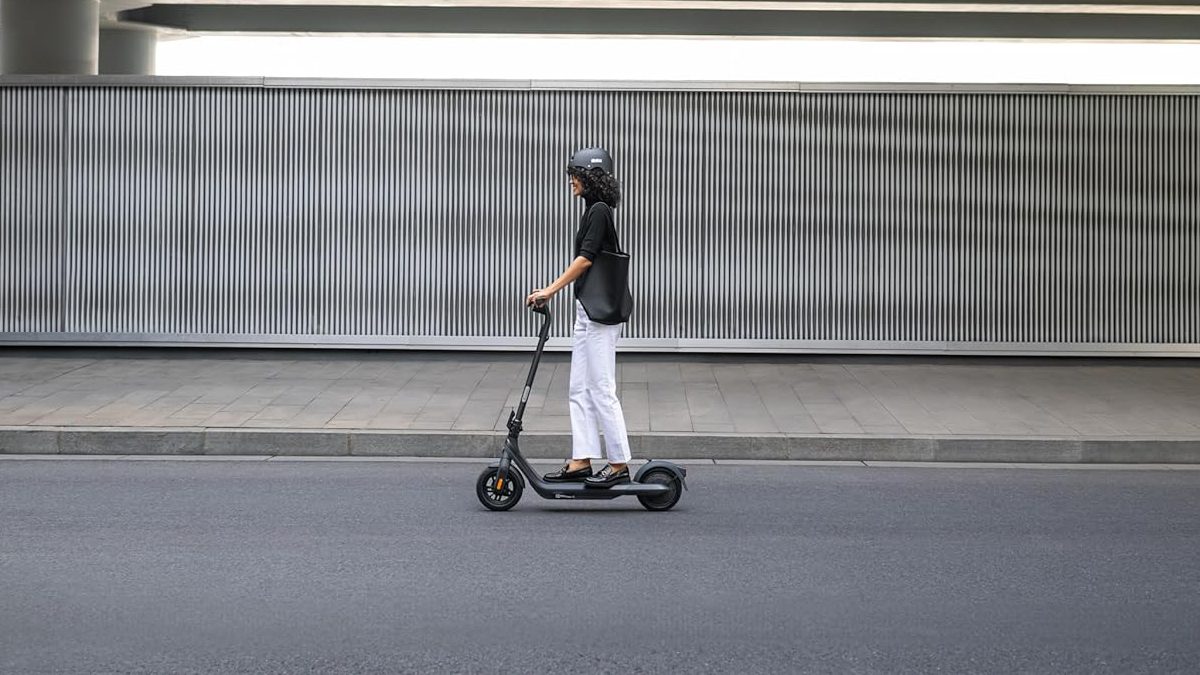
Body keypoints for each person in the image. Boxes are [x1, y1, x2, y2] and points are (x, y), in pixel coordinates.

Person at [525, 147, 632, 488]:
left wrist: (549, 289)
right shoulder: (592, 210)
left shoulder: (599, 211)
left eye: (576, 174)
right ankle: (581, 459)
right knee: (578, 387)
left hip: (600, 315)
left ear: (590, 177)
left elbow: (585, 260)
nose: (571, 180)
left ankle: (618, 464)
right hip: (587, 309)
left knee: (601, 387)